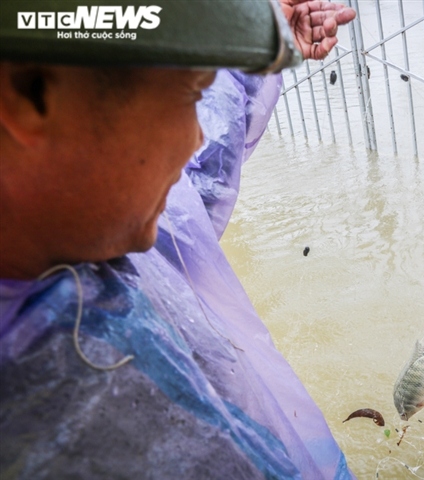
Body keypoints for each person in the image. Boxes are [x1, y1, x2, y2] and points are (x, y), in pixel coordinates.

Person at [0, 0, 355, 478]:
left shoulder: (89, 218)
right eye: (190, 97)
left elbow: (202, 172)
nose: (194, 137)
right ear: (28, 93)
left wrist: (258, 47)